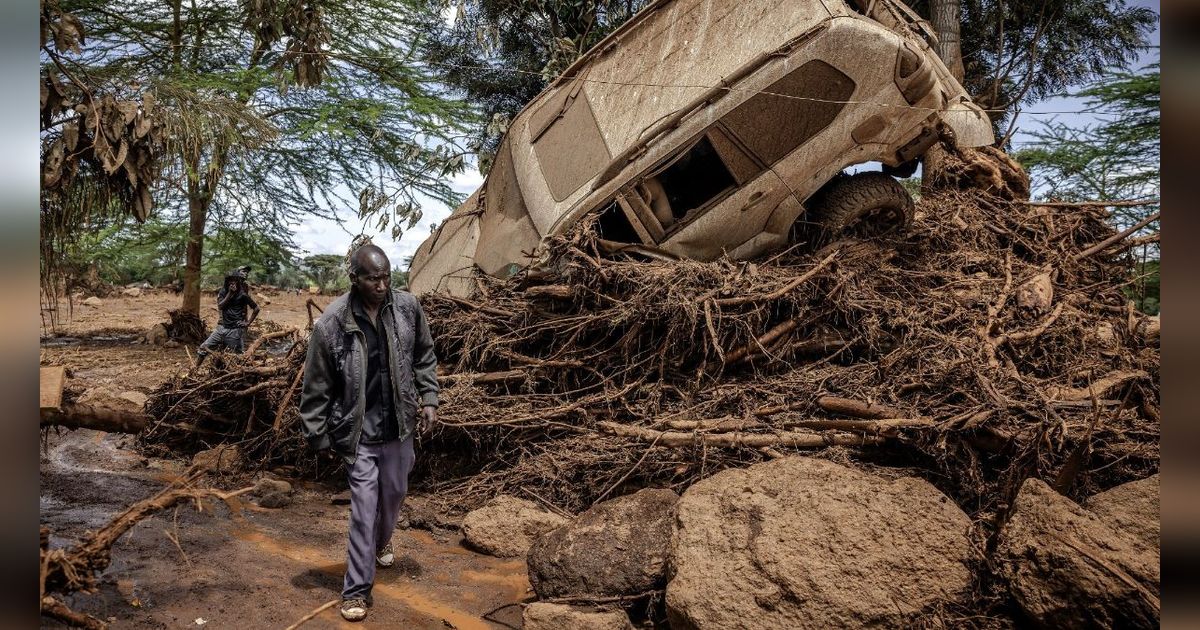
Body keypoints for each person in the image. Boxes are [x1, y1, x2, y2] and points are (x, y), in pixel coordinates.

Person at [299, 244, 439, 622]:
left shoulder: (407, 308)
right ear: (354, 279)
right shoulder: (332, 322)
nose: (381, 285)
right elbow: (316, 384)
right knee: (364, 509)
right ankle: (356, 589)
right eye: (373, 278)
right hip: (358, 432)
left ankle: (381, 542)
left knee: (395, 494)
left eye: (386, 276)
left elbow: (424, 355)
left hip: (399, 426)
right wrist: (317, 432)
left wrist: (429, 397)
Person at [194, 269, 259, 366]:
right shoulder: (224, 291)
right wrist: (230, 293)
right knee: (203, 348)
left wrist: (247, 322)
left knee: (237, 357)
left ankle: (240, 375)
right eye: (230, 281)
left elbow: (256, 308)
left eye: (236, 281)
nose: (233, 283)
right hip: (221, 328)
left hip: (235, 330)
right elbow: (220, 306)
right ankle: (194, 370)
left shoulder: (243, 294)